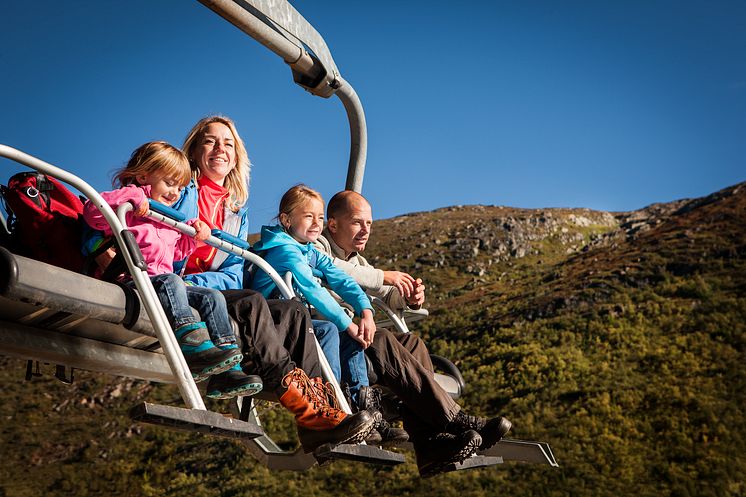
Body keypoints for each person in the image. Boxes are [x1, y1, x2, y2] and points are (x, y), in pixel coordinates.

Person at [173, 116, 374, 453]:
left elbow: (236, 266)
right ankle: (300, 402)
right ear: (194, 151)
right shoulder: (181, 191)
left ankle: (321, 413)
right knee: (254, 301)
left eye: (228, 144)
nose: (220, 149)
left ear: (236, 156)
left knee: (296, 311)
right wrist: (195, 280)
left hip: (223, 287)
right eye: (210, 141)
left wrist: (364, 308)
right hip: (192, 287)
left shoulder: (235, 209)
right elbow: (177, 245)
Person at [314, 190, 514, 477]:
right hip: (329, 334)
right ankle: (452, 418)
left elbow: (384, 291)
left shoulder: (358, 261)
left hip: (355, 334)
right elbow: (334, 269)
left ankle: (430, 444)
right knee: (382, 339)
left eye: (369, 224)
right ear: (332, 225)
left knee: (411, 342)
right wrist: (384, 275)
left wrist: (407, 298)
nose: (365, 230)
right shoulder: (317, 245)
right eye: (358, 223)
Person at [81, 141, 261, 399]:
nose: (175, 192)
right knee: (172, 282)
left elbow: (175, 253)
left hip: (162, 283)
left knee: (212, 297)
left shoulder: (164, 218)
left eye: (179, 186)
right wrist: (132, 195)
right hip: (134, 280)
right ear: (144, 176)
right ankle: (191, 344)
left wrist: (194, 236)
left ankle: (227, 368)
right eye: (169, 183)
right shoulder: (130, 206)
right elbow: (93, 211)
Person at [250, 185, 407, 445]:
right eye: (308, 216)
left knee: (347, 336)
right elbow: (312, 290)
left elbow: (342, 280)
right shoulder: (285, 251)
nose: (316, 224)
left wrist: (365, 311)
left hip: (296, 322)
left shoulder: (308, 250)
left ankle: (361, 411)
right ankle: (331, 409)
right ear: (287, 220)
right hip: (273, 323)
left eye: (320, 218)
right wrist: (348, 324)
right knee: (330, 329)